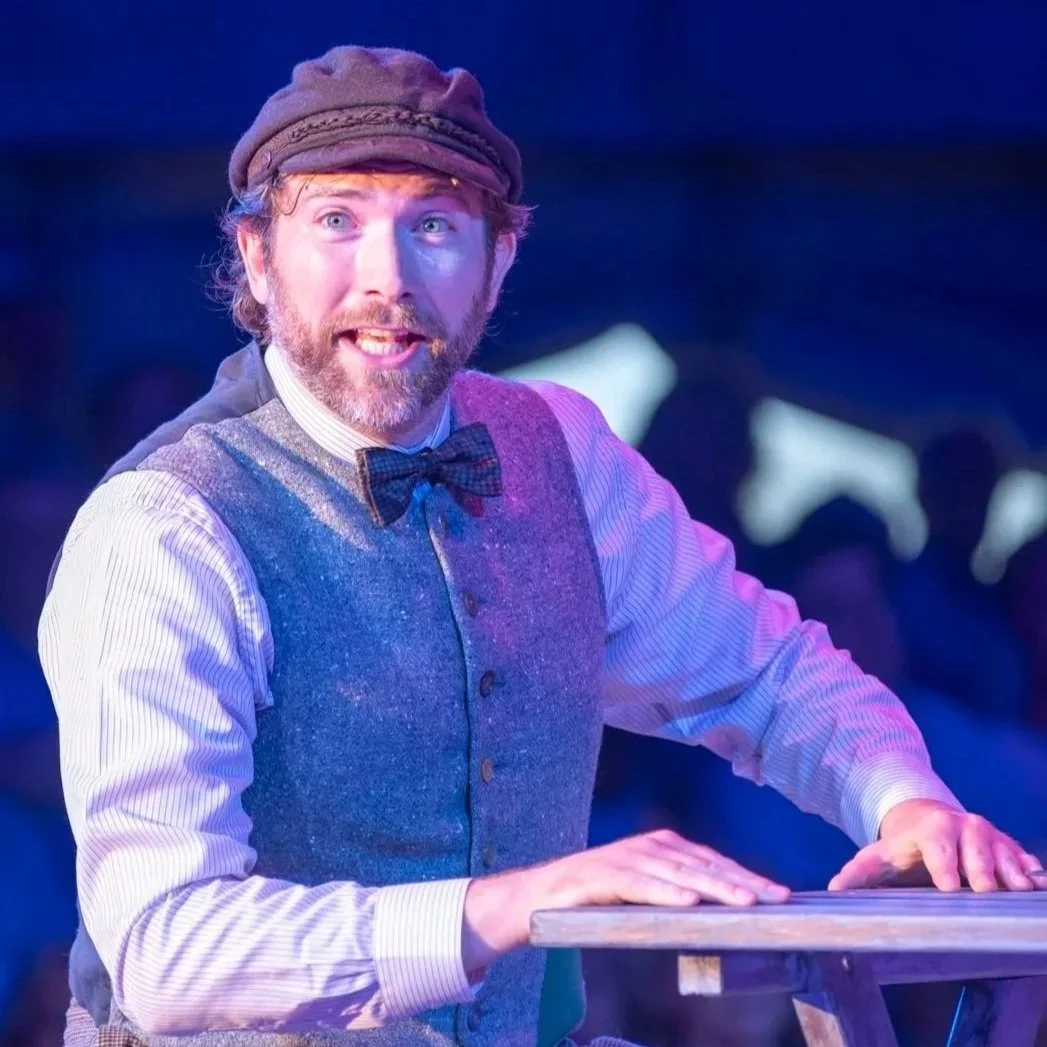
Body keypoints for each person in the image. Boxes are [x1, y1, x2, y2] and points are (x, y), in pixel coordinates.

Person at [40, 45, 1044, 1047]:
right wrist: (513, 905)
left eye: (433, 226)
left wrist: (903, 800)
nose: (386, 277)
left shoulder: (560, 448)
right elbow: (165, 950)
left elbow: (769, 674)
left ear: (498, 262)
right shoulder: (166, 527)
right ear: (258, 259)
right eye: (337, 222)